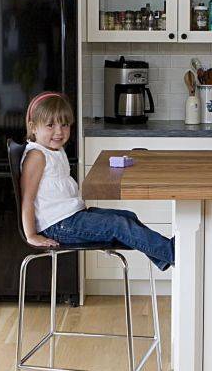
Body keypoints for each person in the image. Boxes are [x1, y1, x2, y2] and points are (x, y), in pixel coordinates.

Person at [20, 92, 174, 270]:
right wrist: (31, 234)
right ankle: (172, 253)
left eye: (64, 124)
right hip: (58, 225)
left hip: (72, 217)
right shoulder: (36, 155)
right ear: (33, 127)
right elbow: (27, 199)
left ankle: (165, 256)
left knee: (128, 217)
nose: (59, 131)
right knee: (118, 225)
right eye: (50, 125)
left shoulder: (54, 150)